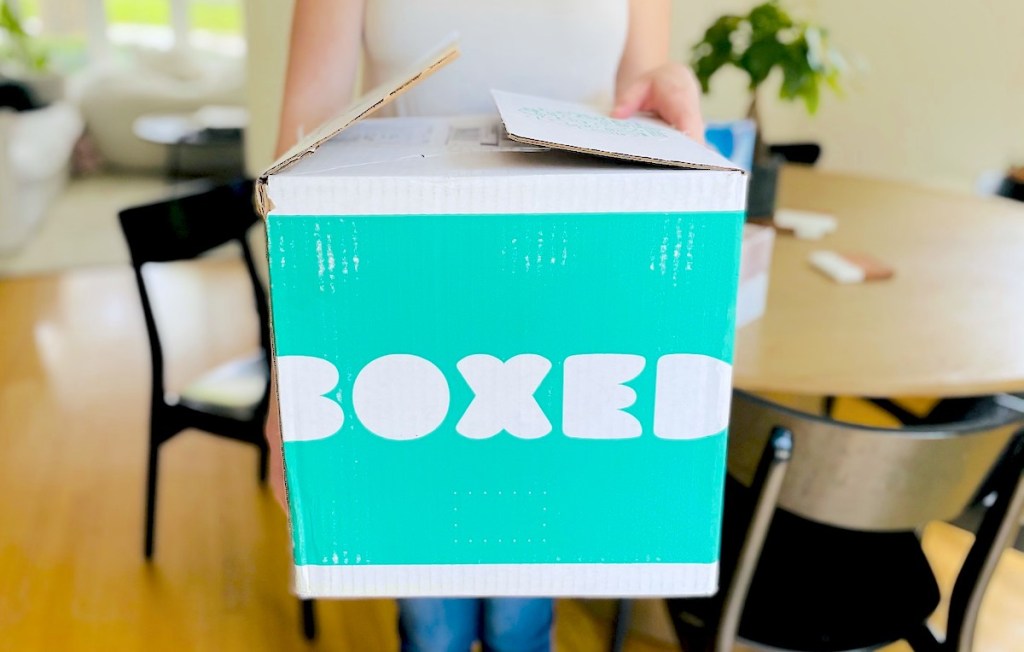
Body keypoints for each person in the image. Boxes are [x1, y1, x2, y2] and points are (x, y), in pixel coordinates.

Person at [269, 2, 707, 650]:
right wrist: (291, 375)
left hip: (565, 314)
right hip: (404, 312)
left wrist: (673, 89)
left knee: (521, 614)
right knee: (432, 620)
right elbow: (298, 155)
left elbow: (640, 103)